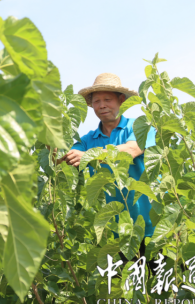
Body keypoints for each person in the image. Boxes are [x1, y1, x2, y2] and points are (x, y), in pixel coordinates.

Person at [59, 73, 157, 241]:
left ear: (121, 100)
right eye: (97, 101)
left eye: (107, 100)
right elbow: (63, 156)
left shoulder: (140, 125)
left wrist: (89, 156)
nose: (102, 105)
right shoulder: (88, 140)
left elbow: (131, 149)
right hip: (119, 231)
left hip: (153, 226)